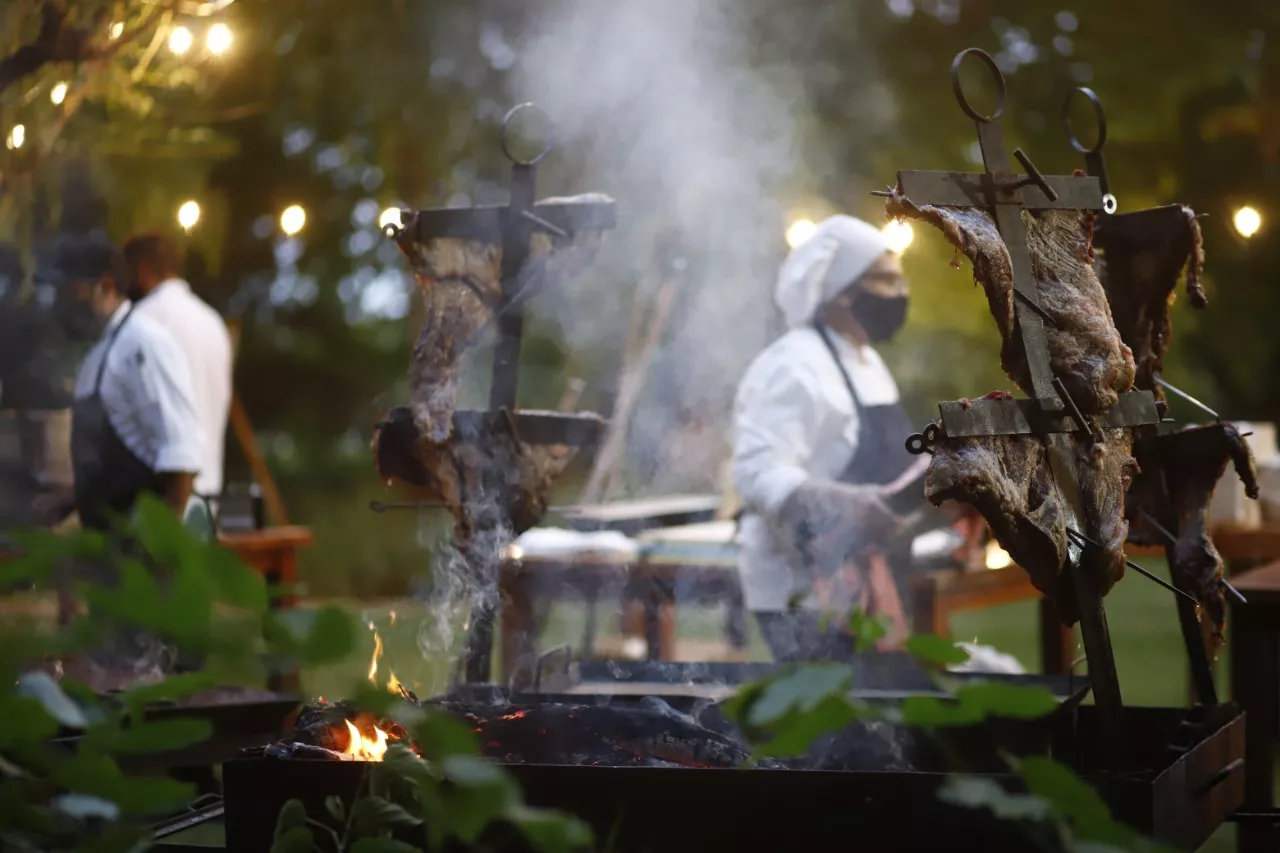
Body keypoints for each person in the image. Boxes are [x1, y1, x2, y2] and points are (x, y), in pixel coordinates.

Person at [732, 214, 925, 662]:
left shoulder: (867, 361)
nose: (899, 294)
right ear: (842, 291)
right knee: (835, 725)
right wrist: (848, 504)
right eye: (884, 281)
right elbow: (757, 473)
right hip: (801, 593)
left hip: (868, 579)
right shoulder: (793, 365)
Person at [122, 232, 232, 505]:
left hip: (162, 502)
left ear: (142, 270)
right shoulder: (212, 321)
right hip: (208, 496)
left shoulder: (141, 321)